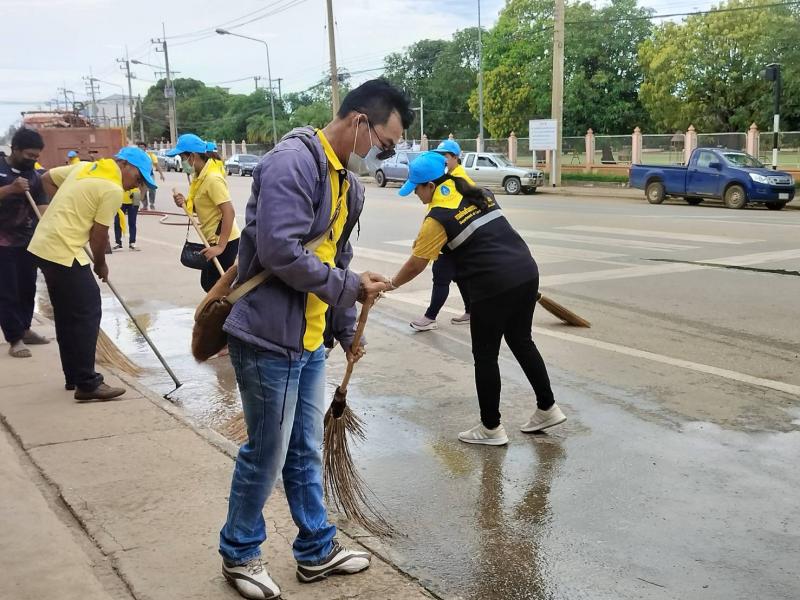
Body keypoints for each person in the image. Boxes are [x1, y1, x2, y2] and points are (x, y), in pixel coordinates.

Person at [217, 79, 410, 600]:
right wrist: (350, 287)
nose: (383, 155)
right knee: (267, 451)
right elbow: (280, 251)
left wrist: (346, 328)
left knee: (303, 448)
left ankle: (315, 549)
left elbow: (336, 258)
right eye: (384, 144)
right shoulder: (292, 163)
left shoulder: (351, 185)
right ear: (359, 123)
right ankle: (239, 552)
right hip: (266, 337)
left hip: (309, 338)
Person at [387, 152, 566, 446]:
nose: (416, 195)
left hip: (493, 285)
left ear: (430, 185)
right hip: (525, 271)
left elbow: (417, 263)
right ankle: (547, 408)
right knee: (522, 341)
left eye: (417, 188)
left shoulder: (437, 218)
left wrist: (391, 284)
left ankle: (491, 427)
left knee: (485, 356)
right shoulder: (474, 190)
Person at [28, 147, 157, 401]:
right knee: (88, 311)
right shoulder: (111, 189)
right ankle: (87, 383)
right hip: (62, 250)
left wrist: (66, 210)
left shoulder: (85, 167)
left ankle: (73, 377)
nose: (136, 183)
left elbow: (47, 179)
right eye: (138, 177)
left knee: (67, 314)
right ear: (124, 165)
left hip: (44, 246)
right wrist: (101, 265)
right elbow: (99, 236)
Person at [409, 139, 472, 331]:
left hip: (451, 238)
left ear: (455, 157)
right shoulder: (444, 178)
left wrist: (393, 283)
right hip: (451, 237)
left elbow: (443, 213)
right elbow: (435, 209)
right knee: (460, 276)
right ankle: (471, 310)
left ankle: (430, 316)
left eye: (445, 155)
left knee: (441, 275)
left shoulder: (458, 178)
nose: (442, 159)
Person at [0, 128, 50, 358]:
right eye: (29, 155)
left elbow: (41, 206)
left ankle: (26, 328)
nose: (33, 160)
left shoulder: (34, 176)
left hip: (27, 241)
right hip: (2, 243)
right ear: (15, 149)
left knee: (27, 287)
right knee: (7, 291)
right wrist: (11, 189)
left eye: (37, 156)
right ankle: (15, 338)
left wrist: (51, 227)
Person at [168, 134, 240, 292]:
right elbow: (203, 206)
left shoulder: (213, 179)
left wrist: (220, 246)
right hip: (211, 239)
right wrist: (184, 203)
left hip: (225, 241)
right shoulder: (198, 177)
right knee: (209, 284)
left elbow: (229, 212)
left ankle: (229, 315)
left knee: (216, 287)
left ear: (192, 156)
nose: (181, 161)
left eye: (182, 157)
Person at [137, 141, 165, 209]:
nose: (141, 149)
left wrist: (161, 174)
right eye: (139, 147)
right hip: (140, 176)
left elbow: (157, 165)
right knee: (142, 190)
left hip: (150, 175)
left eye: (142, 147)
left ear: (145, 148)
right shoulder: (136, 156)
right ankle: (145, 205)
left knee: (152, 189)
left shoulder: (150, 155)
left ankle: (152, 203)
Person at [113, 186, 142, 251]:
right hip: (120, 199)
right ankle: (118, 243)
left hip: (134, 198)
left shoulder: (137, 175)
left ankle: (132, 243)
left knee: (132, 222)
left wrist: (140, 195)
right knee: (117, 222)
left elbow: (143, 183)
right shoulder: (119, 175)